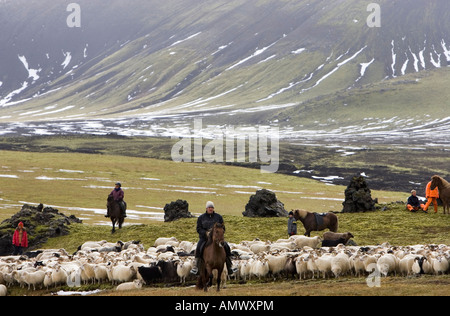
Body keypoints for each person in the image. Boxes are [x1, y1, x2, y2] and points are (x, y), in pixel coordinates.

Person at [190, 201, 236, 276]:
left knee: (226, 246)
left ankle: (230, 266)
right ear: (206, 208)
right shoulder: (201, 218)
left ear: (213, 208)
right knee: (199, 247)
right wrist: (205, 233)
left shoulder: (218, 217)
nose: (210, 209)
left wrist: (219, 233)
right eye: (209, 207)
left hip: (217, 238)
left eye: (212, 207)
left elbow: (223, 227)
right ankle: (196, 267)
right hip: (205, 238)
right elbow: (198, 229)